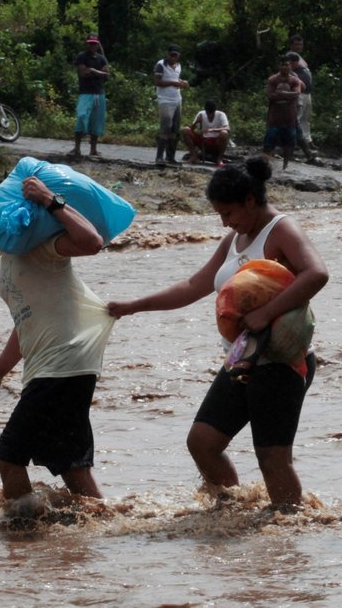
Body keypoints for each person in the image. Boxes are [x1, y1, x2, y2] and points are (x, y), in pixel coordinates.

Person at [108, 157, 329, 507]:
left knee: (272, 459)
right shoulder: (234, 239)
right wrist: (134, 306)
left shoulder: (282, 230)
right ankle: (232, 513)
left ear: (250, 201)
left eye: (228, 213)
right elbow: (195, 284)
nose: (225, 222)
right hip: (243, 359)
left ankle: (289, 533)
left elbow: (316, 273)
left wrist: (267, 312)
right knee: (202, 443)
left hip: (281, 361)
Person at [0, 177, 113, 505]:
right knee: (70, 468)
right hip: (57, 367)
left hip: (62, 365)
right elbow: (26, 322)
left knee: (9, 456)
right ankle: (102, 535)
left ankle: (22, 542)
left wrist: (51, 201)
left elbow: (92, 242)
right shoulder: (10, 254)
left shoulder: (36, 244)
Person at [71, 34, 109, 158]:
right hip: (86, 92)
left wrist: (93, 70)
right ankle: (77, 148)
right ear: (87, 44)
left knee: (97, 120)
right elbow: (83, 73)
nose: (92, 45)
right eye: (90, 43)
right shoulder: (81, 57)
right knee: (81, 117)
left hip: (99, 93)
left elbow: (106, 74)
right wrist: (97, 72)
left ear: (98, 45)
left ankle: (93, 149)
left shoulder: (101, 58)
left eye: (94, 43)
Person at [263, 55, 303, 170]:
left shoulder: (295, 80)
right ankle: (265, 166)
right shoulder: (273, 79)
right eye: (282, 65)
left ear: (290, 66)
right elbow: (270, 96)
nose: (285, 67)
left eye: (287, 65)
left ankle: (285, 167)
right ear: (279, 66)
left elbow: (296, 93)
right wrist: (288, 95)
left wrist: (280, 93)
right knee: (269, 143)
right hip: (274, 118)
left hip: (289, 118)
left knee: (288, 144)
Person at [154, 44, 189, 165]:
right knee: (165, 127)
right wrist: (173, 83)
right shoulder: (161, 65)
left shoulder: (179, 66)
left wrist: (181, 82)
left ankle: (170, 156)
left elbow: (176, 79)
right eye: (172, 55)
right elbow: (157, 82)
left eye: (176, 55)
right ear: (167, 54)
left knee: (175, 128)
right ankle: (159, 157)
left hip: (177, 99)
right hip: (165, 100)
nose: (173, 58)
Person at [285, 51, 319, 163]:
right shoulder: (289, 73)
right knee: (294, 126)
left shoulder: (293, 73)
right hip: (292, 102)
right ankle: (302, 154)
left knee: (297, 125)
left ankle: (303, 153)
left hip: (295, 100)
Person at [181, 99, 230, 166]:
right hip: (203, 140)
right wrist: (196, 122)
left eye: (211, 113)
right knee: (185, 130)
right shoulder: (201, 114)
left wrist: (212, 129)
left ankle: (219, 159)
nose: (209, 115)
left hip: (216, 142)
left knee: (224, 133)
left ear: (214, 111)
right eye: (208, 113)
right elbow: (191, 129)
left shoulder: (221, 114)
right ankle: (194, 156)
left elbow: (227, 128)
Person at [288, 34, 316, 151]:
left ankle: (307, 140)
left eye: (301, 44)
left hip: (307, 92)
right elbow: (287, 71)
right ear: (292, 45)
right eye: (296, 44)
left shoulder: (300, 58)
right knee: (296, 117)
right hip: (298, 91)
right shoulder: (290, 56)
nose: (299, 46)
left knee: (306, 118)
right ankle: (294, 141)